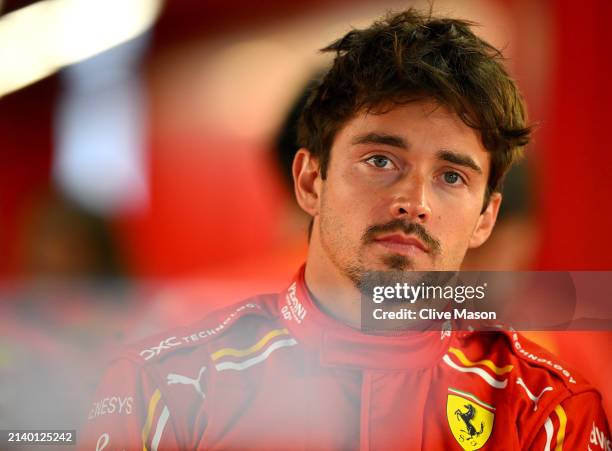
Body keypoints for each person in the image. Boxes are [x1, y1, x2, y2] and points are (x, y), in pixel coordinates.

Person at [80, 9, 610, 450]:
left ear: (486, 218)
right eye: (381, 160)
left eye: (452, 176)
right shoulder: (165, 386)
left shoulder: (547, 409)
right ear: (311, 179)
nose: (415, 203)